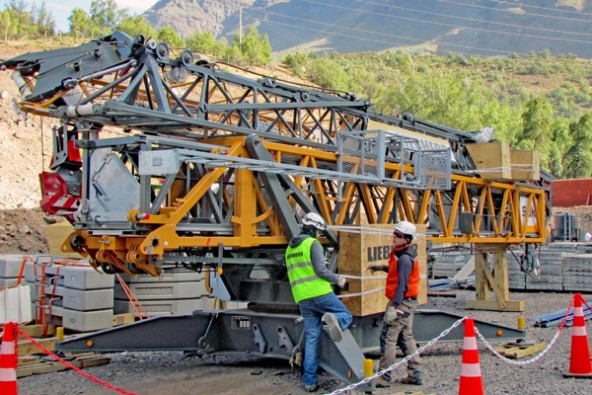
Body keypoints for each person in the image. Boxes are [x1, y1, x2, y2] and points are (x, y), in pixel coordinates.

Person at [285, 212, 352, 393]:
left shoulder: (290, 249)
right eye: (319, 231)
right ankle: (334, 321)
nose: (319, 235)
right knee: (346, 314)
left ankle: (310, 382)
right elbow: (321, 271)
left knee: (312, 338)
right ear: (314, 229)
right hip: (320, 293)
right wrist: (338, 279)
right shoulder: (312, 244)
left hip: (303, 299)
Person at [369, 220, 422, 387]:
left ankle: (384, 377)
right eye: (394, 233)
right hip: (409, 302)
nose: (394, 237)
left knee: (388, 338)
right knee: (406, 337)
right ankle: (415, 373)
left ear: (407, 239)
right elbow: (396, 271)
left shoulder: (405, 259)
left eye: (398, 235)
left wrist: (394, 307)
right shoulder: (400, 254)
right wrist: (381, 268)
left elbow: (402, 285)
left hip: (402, 303)